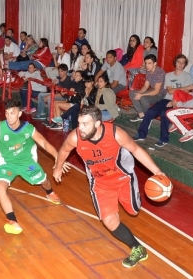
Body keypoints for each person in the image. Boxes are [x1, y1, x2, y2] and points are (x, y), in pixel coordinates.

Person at [53, 105, 164, 268]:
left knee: (133, 210)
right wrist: (58, 167)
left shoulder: (116, 134)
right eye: (79, 123)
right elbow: (63, 150)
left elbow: (137, 150)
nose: (80, 128)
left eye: (85, 124)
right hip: (100, 183)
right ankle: (137, 248)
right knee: (109, 221)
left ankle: (132, 194)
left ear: (98, 124)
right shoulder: (75, 137)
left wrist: (157, 171)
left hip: (123, 177)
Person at [0, 99, 69, 234]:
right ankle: (12, 221)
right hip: (7, 163)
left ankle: (49, 193)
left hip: (27, 162)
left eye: (12, 113)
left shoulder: (29, 129)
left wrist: (58, 158)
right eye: (7, 113)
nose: (9, 117)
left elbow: (44, 144)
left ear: (19, 114)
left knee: (44, 181)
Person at [132, 54, 193, 146]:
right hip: (166, 99)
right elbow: (169, 90)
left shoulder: (187, 76)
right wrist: (185, 87)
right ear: (175, 63)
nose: (180, 64)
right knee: (149, 112)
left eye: (183, 63)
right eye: (178, 62)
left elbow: (186, 93)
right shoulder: (168, 75)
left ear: (185, 65)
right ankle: (141, 134)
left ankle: (164, 139)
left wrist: (177, 94)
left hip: (178, 102)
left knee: (164, 114)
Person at [129, 54, 166, 122]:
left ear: (155, 63)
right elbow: (146, 86)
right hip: (152, 91)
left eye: (149, 63)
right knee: (132, 93)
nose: (147, 65)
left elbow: (156, 91)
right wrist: (139, 93)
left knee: (143, 98)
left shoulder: (160, 73)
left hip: (160, 94)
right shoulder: (149, 71)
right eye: (146, 63)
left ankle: (148, 117)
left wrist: (141, 95)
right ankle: (141, 115)